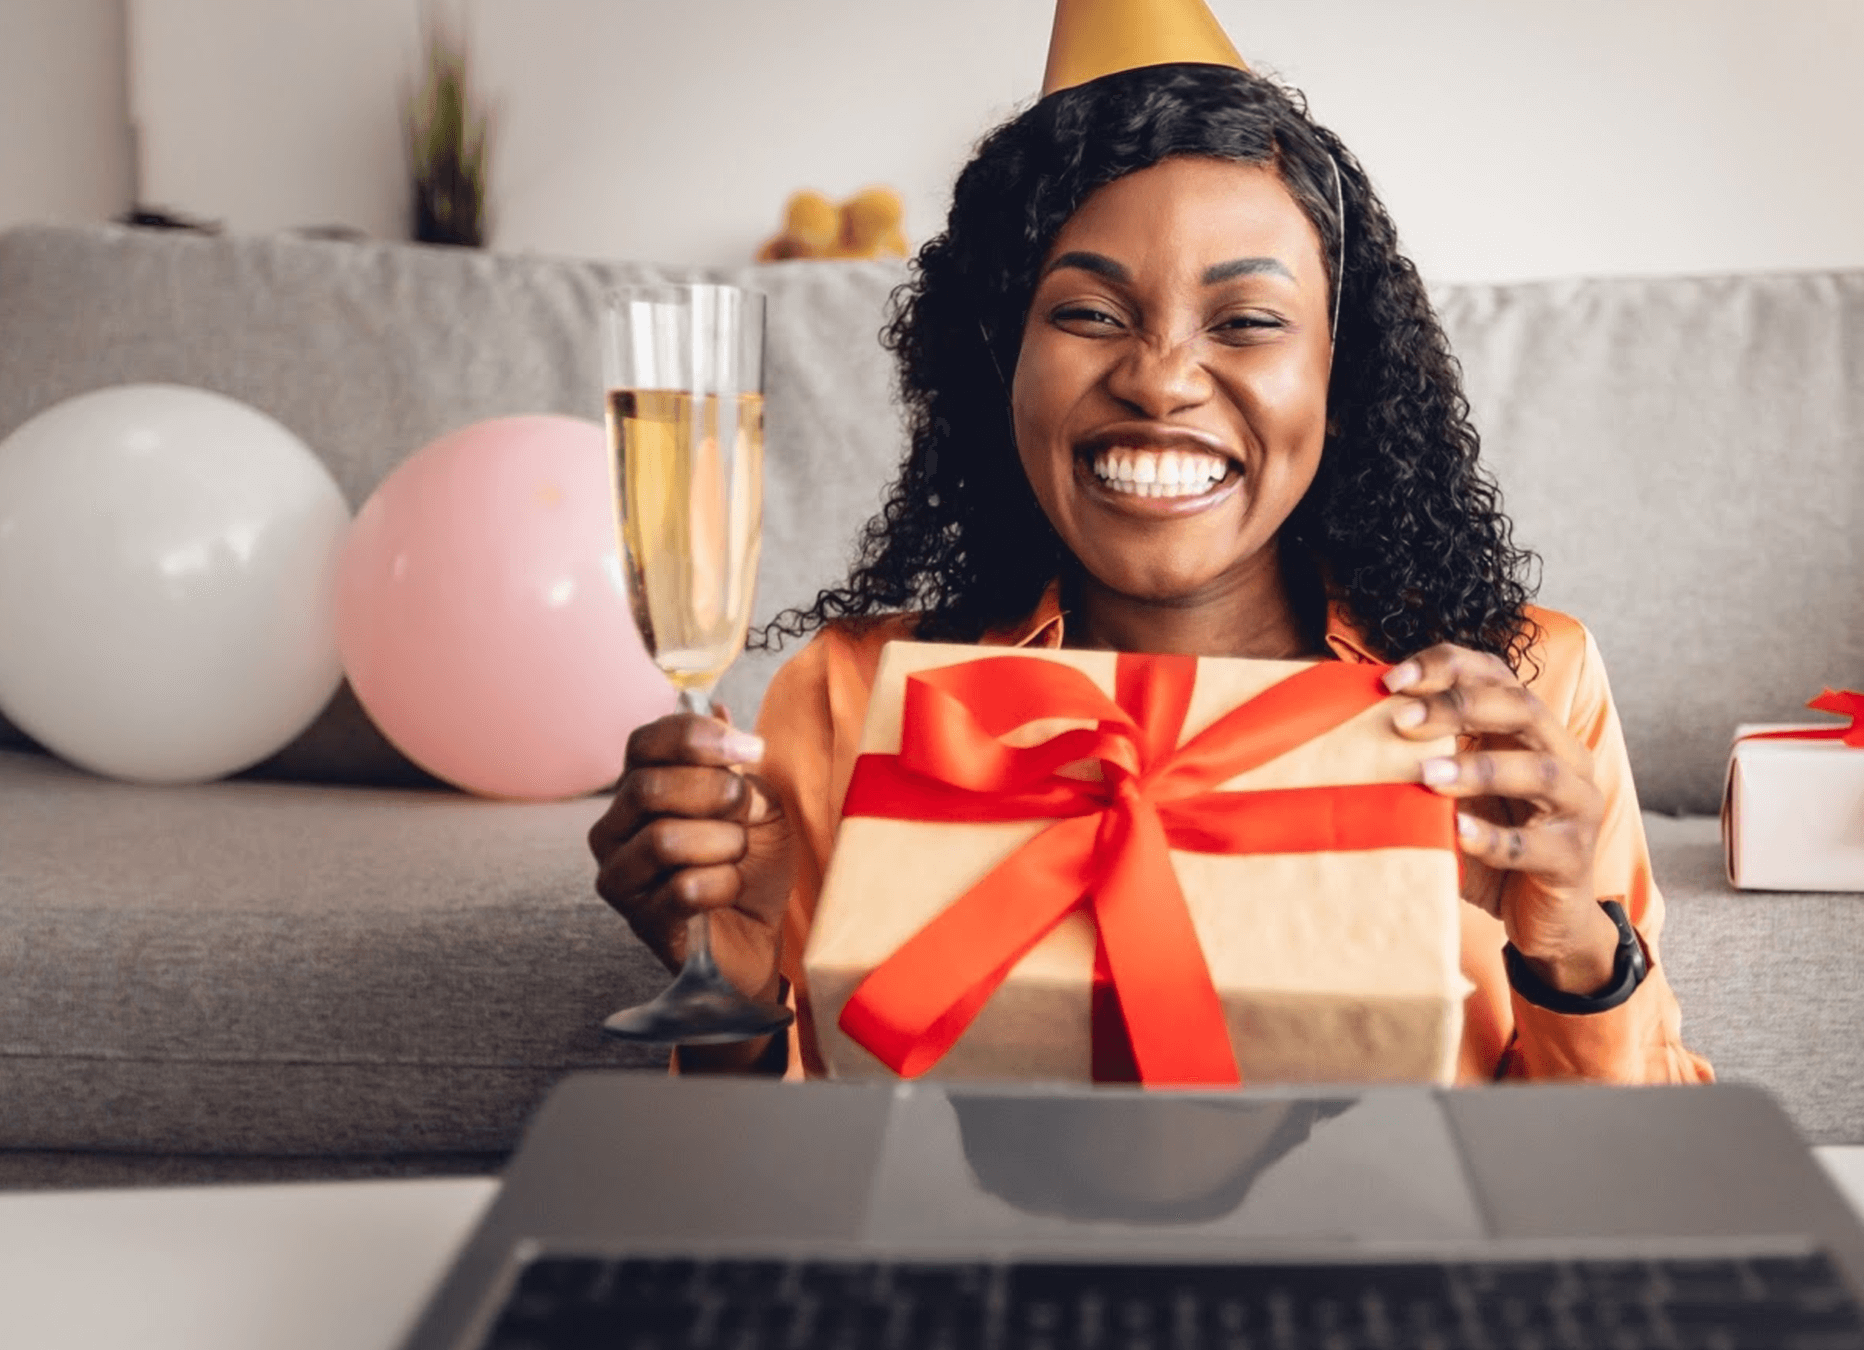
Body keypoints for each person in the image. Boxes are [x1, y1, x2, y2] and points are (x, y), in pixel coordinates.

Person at [587, 10, 1712, 1086]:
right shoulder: (851, 704)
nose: (1163, 377)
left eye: (1248, 321)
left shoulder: (1518, 703)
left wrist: (1575, 953)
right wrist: (734, 1007)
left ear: (1338, 375)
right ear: (1002, 358)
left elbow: (1629, 1195)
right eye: (1088, 313)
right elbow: (798, 1192)